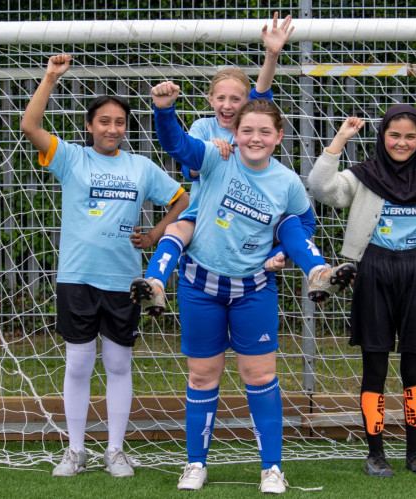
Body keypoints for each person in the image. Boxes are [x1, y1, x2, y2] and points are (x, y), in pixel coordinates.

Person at [20, 54, 189, 478]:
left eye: (119, 122)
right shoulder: (71, 159)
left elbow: (182, 200)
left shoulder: (141, 167)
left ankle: (115, 450)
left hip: (123, 280)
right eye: (104, 121)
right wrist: (50, 77)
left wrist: (154, 235)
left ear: (126, 128)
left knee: (117, 365)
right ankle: (75, 451)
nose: (112, 129)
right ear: (90, 125)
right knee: (78, 364)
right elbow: (30, 126)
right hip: (77, 277)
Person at [130, 13, 355, 315]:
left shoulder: (260, 142)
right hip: (205, 213)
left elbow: (261, 95)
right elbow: (185, 157)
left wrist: (272, 53)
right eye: (221, 98)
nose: (228, 105)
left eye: (236, 99)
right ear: (210, 100)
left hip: (250, 222)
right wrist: (207, 147)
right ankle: (155, 284)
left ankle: (318, 272)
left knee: (289, 224)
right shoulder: (204, 130)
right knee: (178, 229)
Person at [147, 80, 311, 493]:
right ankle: (195, 464)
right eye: (247, 130)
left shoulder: (288, 181)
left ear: (278, 137)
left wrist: (282, 252)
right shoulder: (217, 160)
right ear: (233, 134)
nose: (255, 138)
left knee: (259, 375)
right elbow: (179, 147)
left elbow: (303, 224)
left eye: (264, 131)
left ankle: (271, 468)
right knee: (203, 377)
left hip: (254, 289)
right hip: (200, 285)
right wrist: (164, 110)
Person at [307, 106, 416, 477]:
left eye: (410, 136)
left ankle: (414, 454)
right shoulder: (364, 177)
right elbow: (321, 187)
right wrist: (339, 140)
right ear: (382, 138)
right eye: (394, 135)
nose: (401, 142)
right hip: (373, 270)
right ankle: (375, 453)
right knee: (375, 366)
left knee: (414, 367)